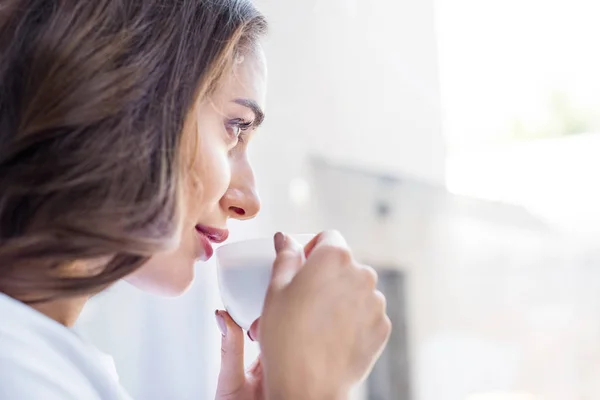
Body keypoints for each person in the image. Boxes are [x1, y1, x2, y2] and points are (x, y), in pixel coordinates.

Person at [0, 0, 391, 399]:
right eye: (234, 129)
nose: (249, 201)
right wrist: (308, 389)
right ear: (126, 100)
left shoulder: (49, 364)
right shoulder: (17, 368)